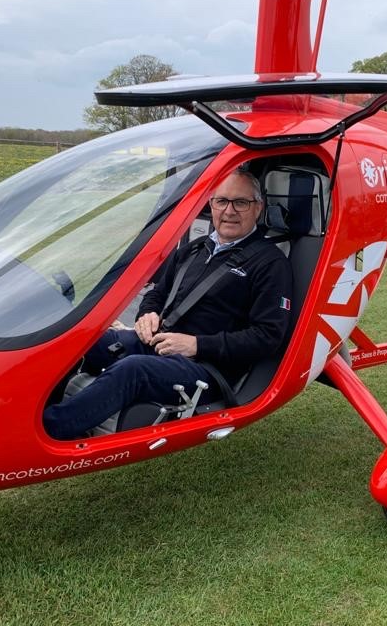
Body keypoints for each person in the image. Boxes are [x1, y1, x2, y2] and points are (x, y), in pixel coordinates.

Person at [43, 168, 294, 440]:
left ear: (258, 208)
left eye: (241, 202)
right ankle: (36, 408)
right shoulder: (195, 248)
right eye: (222, 201)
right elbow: (157, 293)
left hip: (207, 367)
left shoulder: (270, 264)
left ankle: (48, 431)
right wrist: (147, 314)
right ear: (211, 204)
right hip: (160, 343)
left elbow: (268, 336)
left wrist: (196, 344)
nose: (229, 211)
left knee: (133, 370)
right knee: (79, 338)